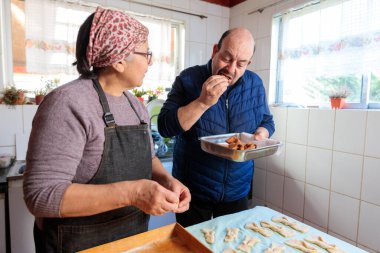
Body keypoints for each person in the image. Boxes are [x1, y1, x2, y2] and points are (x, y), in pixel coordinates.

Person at [23, 7, 190, 253]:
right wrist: (134, 193)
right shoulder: (67, 103)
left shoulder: (135, 106)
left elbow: (148, 158)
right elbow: (41, 195)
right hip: (75, 244)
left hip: (130, 240)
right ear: (119, 60)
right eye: (146, 53)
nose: (150, 61)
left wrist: (166, 179)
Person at [158, 28, 275, 227]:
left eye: (240, 64)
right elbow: (165, 127)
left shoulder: (255, 83)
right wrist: (202, 102)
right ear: (215, 50)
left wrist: (261, 134)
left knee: (230, 245)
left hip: (237, 189)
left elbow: (267, 121)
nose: (231, 69)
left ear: (248, 64)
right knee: (193, 247)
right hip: (194, 189)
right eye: (226, 58)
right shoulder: (188, 79)